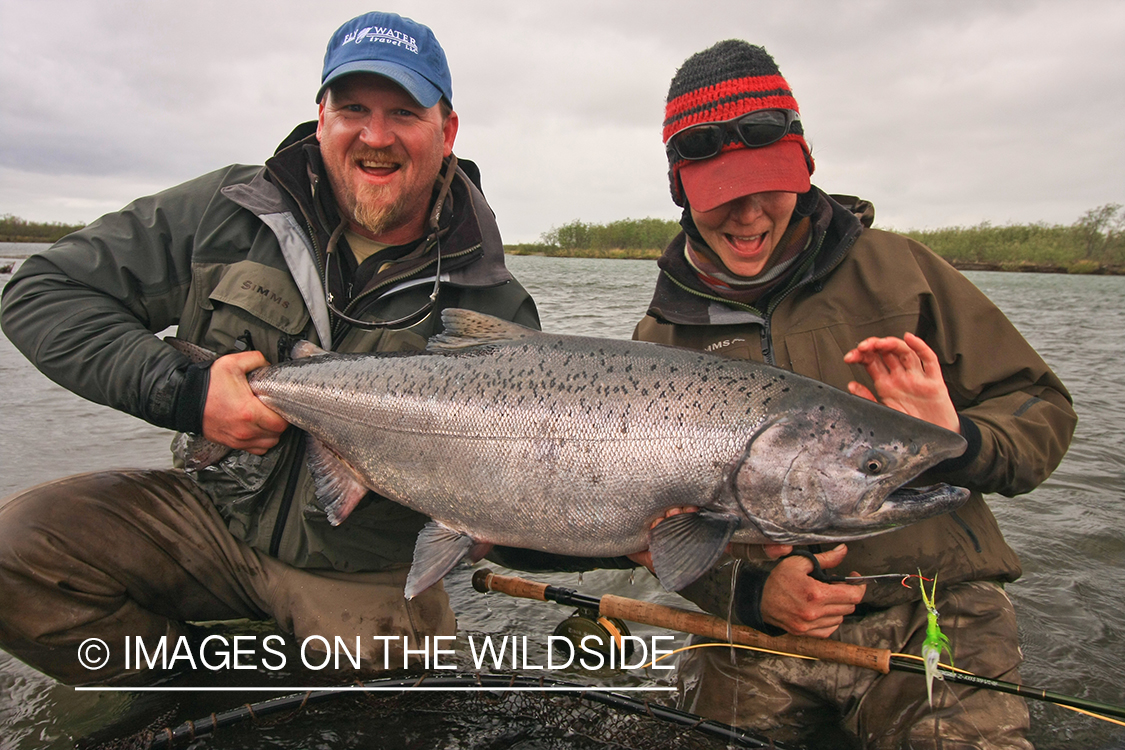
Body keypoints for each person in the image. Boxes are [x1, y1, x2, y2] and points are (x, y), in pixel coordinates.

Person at [0, 11, 540, 685]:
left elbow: (531, 500)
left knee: (398, 702)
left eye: (403, 111)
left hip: (361, 569)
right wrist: (187, 392)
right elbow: (41, 292)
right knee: (18, 552)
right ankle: (192, 694)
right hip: (210, 521)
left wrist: (640, 526)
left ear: (446, 130)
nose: (375, 135)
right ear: (321, 119)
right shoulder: (226, 212)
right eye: (353, 110)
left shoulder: (490, 299)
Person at [633, 41, 1076, 749]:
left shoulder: (903, 273)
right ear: (681, 189)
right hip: (757, 631)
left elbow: (1041, 410)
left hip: (930, 606)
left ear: (803, 167)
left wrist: (956, 436)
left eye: (766, 187)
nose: (747, 218)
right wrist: (749, 596)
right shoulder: (659, 338)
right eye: (722, 196)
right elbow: (659, 534)